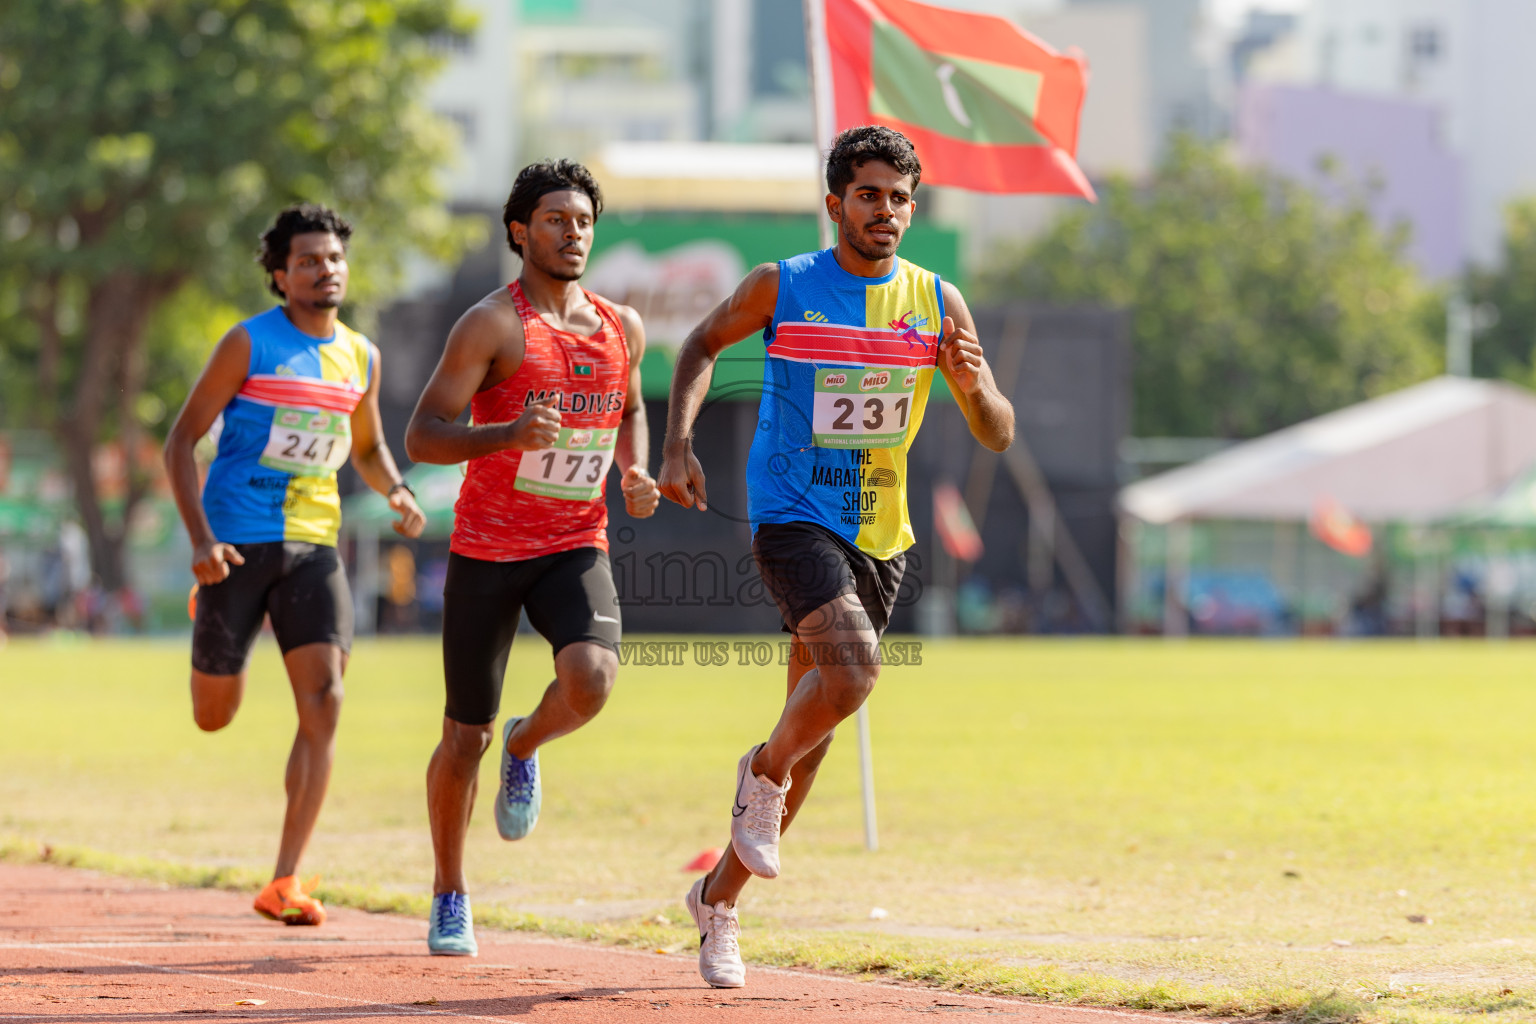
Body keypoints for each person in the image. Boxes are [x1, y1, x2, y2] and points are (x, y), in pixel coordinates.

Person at [658, 126, 1016, 988]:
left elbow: (997, 432)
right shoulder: (783, 286)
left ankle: (719, 900)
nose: (884, 211)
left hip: (880, 535)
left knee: (813, 739)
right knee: (852, 676)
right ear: (836, 204)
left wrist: (971, 385)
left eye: (898, 198)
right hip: (789, 517)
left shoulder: (938, 302)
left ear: (912, 208)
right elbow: (699, 345)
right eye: (867, 195)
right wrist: (676, 443)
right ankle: (760, 771)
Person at [405, 159, 659, 957]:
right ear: (520, 231)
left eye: (582, 220)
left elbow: (633, 408)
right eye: (555, 219)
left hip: (573, 542)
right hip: (487, 550)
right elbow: (424, 434)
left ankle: (528, 743)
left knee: (592, 679)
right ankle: (450, 889)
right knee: (461, 738)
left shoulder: (623, 326)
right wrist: (506, 435)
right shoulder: (491, 324)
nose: (572, 232)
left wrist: (635, 467)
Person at [163, 204, 426, 927]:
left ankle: (285, 879)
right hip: (235, 548)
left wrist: (397, 490)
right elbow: (180, 441)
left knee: (328, 700)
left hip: (315, 546)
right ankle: (211, 618)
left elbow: (367, 448)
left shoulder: (361, 356)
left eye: (334, 258)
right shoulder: (247, 344)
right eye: (308, 260)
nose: (325, 269)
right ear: (281, 276)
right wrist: (200, 541)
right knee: (213, 716)